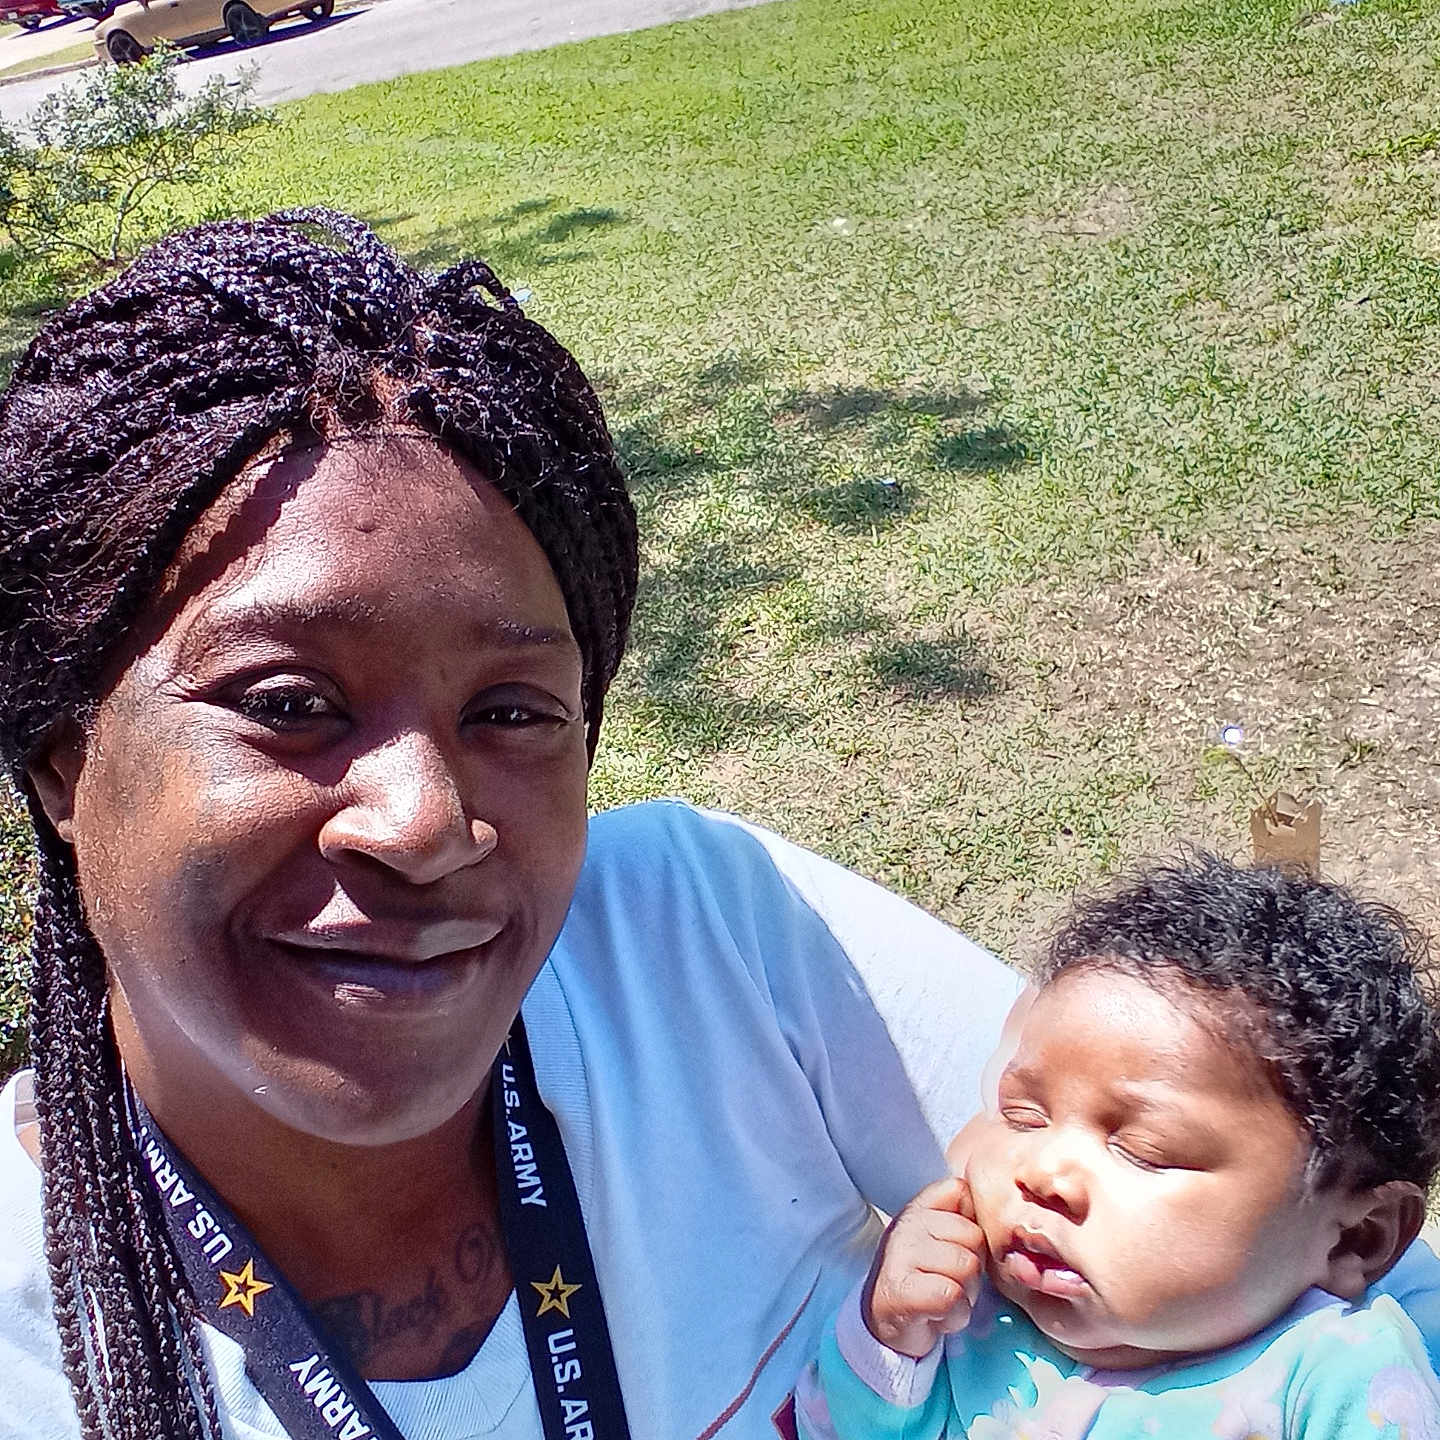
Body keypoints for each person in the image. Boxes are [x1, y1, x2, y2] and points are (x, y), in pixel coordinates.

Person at [0, 208, 1027, 1440]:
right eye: (287, 704)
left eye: (507, 710)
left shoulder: (704, 939)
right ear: (66, 760)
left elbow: (1239, 1199)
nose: (426, 824)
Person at [797, 855, 1440, 1439]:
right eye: (1022, 1116)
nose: (1044, 1171)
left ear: (1356, 1238)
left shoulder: (1338, 1381)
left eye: (1144, 1149)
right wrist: (888, 1337)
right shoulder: (971, 1320)